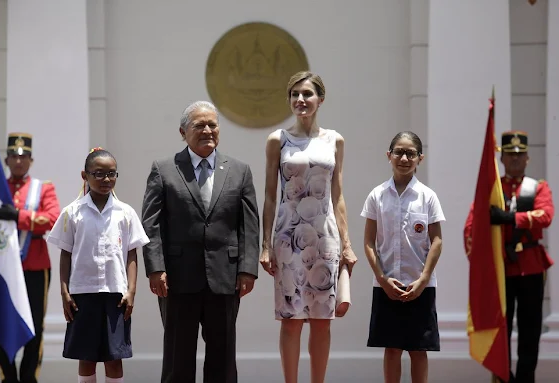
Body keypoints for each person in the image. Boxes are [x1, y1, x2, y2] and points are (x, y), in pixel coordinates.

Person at [141, 100, 260, 383]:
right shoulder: (164, 169)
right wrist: (155, 268)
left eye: (213, 124)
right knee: (178, 358)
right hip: (178, 278)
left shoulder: (239, 170)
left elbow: (250, 225)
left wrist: (247, 269)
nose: (208, 130)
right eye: (199, 125)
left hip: (225, 277)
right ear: (183, 132)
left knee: (223, 357)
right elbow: (151, 223)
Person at [259, 71, 357, 383]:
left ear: (320, 99)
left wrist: (348, 243)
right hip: (288, 237)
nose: (301, 100)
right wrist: (265, 245)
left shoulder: (334, 140)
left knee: (322, 320)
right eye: (295, 95)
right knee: (291, 320)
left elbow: (338, 195)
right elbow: (270, 196)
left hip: (325, 238)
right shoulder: (278, 139)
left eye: (307, 94)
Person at [46, 148, 149, 383]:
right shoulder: (72, 213)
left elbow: (132, 253)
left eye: (112, 174)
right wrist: (64, 291)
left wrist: (131, 290)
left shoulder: (125, 213)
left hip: (116, 294)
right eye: (99, 174)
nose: (106, 180)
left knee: (115, 356)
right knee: (86, 354)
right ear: (85, 176)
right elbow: (66, 254)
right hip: (83, 293)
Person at [463, 130, 554, 383]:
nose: (515, 160)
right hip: (500, 270)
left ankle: (526, 378)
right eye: (511, 155)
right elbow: (472, 227)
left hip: (530, 267)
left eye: (520, 155)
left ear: (528, 158)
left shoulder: (537, 187)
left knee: (530, 329)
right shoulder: (492, 190)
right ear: (502, 159)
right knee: (499, 329)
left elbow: (545, 216)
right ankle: (504, 378)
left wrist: (512, 218)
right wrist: (480, 263)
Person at [360, 131, 444, 383]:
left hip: (420, 285)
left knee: (419, 349)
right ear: (389, 155)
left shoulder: (427, 197)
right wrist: (382, 278)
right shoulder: (377, 195)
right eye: (399, 152)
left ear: (420, 158)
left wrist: (423, 279)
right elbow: (368, 241)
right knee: (392, 348)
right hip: (387, 285)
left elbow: (437, 240)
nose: (404, 158)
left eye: (410, 153)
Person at [0, 132, 61, 383]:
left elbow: (53, 220)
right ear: (7, 160)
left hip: (34, 267)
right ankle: (8, 377)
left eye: (24, 157)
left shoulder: (43, 188)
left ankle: (29, 377)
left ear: (31, 160)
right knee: (1, 324)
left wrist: (17, 216)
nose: (18, 161)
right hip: (3, 268)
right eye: (13, 156)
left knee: (34, 328)